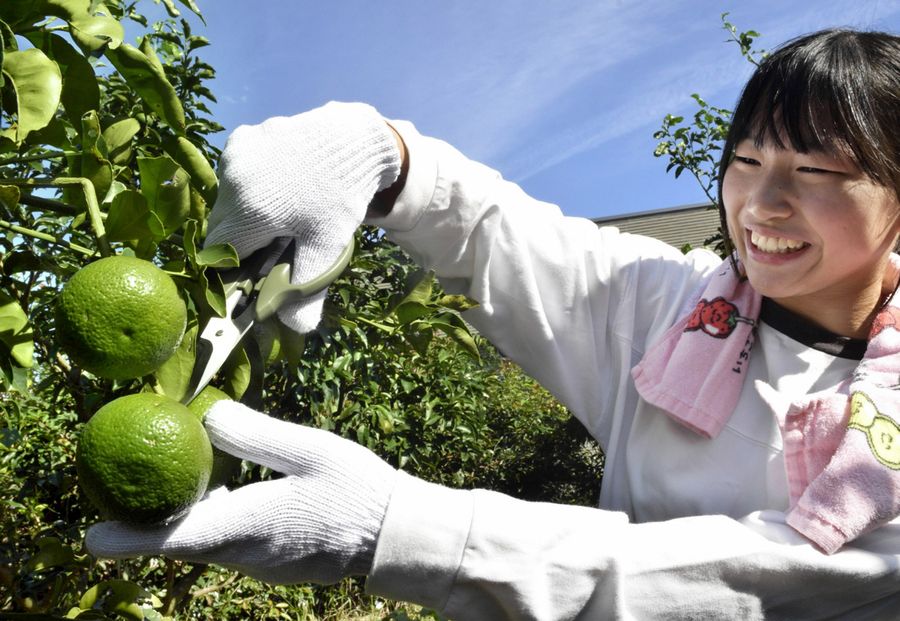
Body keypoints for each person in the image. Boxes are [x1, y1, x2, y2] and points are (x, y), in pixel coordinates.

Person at [86, 28, 900, 619]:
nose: (761, 205)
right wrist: (380, 155)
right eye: (747, 161)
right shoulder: (689, 313)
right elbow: (505, 238)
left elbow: (761, 585)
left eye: (817, 170)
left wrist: (402, 530)